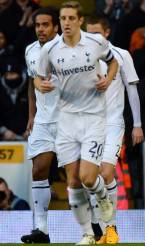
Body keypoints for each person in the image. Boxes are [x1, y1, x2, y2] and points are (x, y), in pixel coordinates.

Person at [34, 1, 119, 244]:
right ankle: (88, 234)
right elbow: (37, 80)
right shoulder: (49, 50)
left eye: (71, 18)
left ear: (80, 20)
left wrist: (108, 80)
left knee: (88, 178)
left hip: (93, 119)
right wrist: (43, 85)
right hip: (66, 121)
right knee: (72, 182)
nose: (67, 23)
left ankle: (103, 199)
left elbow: (113, 62)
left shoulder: (96, 42)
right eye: (63, 19)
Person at [86, 15, 144, 244]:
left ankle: (111, 227)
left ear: (107, 33)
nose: (91, 37)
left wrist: (137, 125)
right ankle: (98, 227)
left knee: (107, 172)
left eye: (96, 33)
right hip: (87, 125)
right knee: (89, 179)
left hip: (112, 124)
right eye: (88, 33)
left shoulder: (121, 55)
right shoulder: (81, 58)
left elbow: (132, 91)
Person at [20, 7, 60, 244]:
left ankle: (95, 228)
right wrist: (31, 115)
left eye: (45, 25)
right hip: (44, 120)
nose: (41, 29)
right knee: (39, 170)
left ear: (55, 27)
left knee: (80, 178)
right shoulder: (30, 50)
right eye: (37, 25)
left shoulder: (68, 49)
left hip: (69, 120)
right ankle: (41, 230)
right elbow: (30, 85)